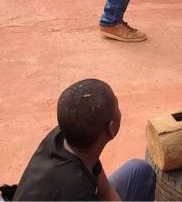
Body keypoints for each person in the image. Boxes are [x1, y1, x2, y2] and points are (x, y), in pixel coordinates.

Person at [14, 79, 156, 201]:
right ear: (111, 128)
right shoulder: (76, 191)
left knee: (139, 171)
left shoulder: (66, 136)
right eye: (117, 106)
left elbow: (105, 191)